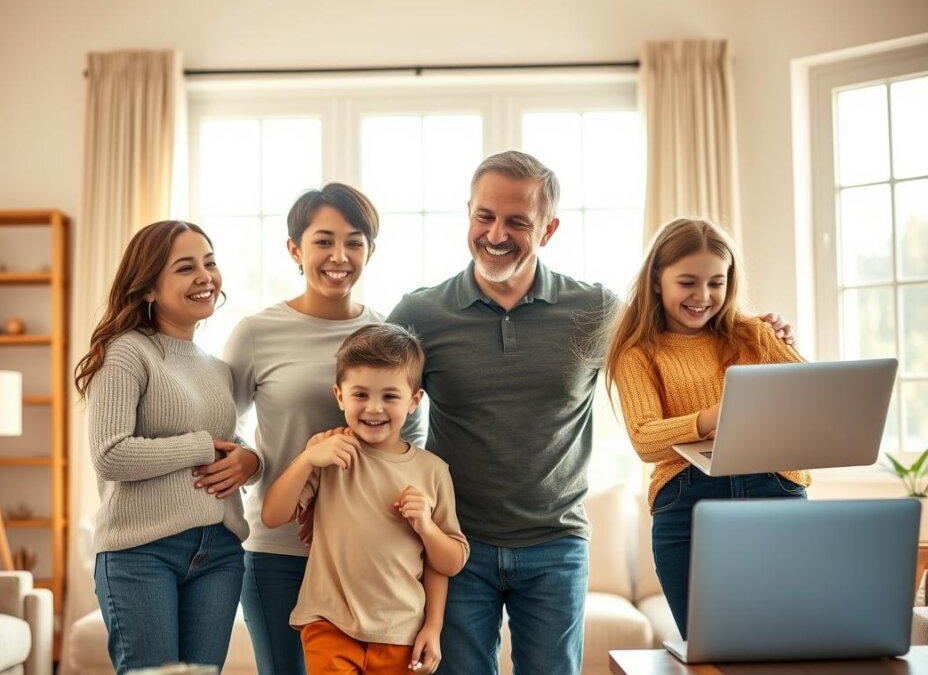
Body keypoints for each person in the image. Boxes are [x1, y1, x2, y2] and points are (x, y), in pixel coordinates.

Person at [388, 152, 793, 674]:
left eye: (518, 221)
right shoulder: (420, 314)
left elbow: (682, 335)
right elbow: (382, 405)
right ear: (468, 213)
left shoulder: (597, 310)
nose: (496, 233)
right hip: (456, 545)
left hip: (556, 545)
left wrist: (761, 331)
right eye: (484, 216)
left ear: (549, 229)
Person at [604, 217, 810, 638]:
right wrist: (714, 416)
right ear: (657, 281)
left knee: (789, 645)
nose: (703, 296)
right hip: (688, 504)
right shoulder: (637, 352)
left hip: (777, 490)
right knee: (712, 652)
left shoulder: (755, 334)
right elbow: (645, 437)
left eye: (716, 282)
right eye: (688, 282)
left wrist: (786, 343)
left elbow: (809, 398)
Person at [74, 220, 260, 673]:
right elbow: (110, 454)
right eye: (185, 267)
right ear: (149, 288)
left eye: (209, 263)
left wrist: (251, 460)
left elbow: (226, 446)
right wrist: (199, 447)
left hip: (219, 551)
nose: (205, 277)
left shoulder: (217, 368)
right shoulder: (126, 352)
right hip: (141, 553)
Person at [218, 183, 384, 674]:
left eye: (355, 241)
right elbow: (223, 430)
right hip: (277, 553)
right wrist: (252, 461)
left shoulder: (385, 334)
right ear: (295, 248)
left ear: (369, 250)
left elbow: (405, 445)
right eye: (324, 240)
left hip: (360, 551)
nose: (340, 255)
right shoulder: (256, 332)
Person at [262, 323, 469, 675]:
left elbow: (448, 563)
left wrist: (426, 527)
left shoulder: (432, 471)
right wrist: (307, 459)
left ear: (414, 401)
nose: (374, 408)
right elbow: (272, 515)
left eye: (390, 396)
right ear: (339, 395)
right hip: (329, 623)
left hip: (401, 633)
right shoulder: (329, 454)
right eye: (360, 395)